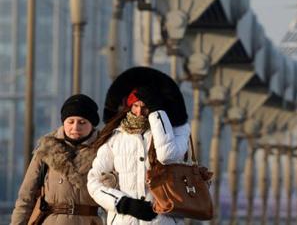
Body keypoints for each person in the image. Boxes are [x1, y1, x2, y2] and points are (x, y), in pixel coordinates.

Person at [87, 86, 190, 225]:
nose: (139, 112)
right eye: (135, 105)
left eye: (146, 107)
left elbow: (168, 155)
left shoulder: (174, 133)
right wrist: (123, 203)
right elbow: (95, 182)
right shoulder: (115, 137)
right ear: (129, 106)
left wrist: (157, 113)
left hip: (163, 220)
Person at [11, 94, 104, 225]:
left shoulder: (104, 151)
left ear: (92, 124)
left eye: (82, 122)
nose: (75, 128)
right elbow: (26, 196)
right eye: (70, 122)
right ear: (63, 122)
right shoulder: (47, 149)